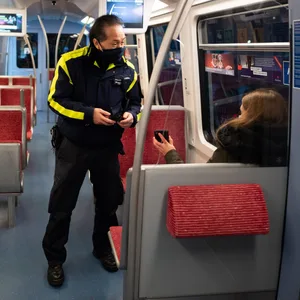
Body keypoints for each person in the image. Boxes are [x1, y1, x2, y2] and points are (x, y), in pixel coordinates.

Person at [43, 14, 142, 287]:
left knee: (109, 203)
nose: (121, 46)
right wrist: (88, 115)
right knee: (62, 204)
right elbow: (55, 101)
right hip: (74, 145)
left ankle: (102, 247)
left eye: (123, 41)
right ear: (97, 43)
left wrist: (132, 116)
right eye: (115, 42)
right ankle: (54, 259)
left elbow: (136, 103)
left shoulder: (128, 70)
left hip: (107, 146)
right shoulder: (71, 63)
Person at [153, 89, 288, 166]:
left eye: (242, 113)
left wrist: (169, 152)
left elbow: (196, 183)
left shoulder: (235, 145)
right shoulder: (288, 149)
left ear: (251, 117)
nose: (239, 118)